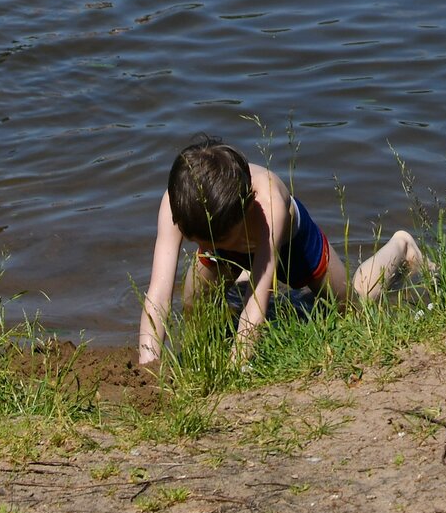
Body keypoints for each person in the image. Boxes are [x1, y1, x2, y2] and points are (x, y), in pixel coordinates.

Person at [137, 137, 427, 367]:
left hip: (290, 242)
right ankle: (233, 300)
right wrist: (148, 367)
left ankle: (401, 247)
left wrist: (236, 369)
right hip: (230, 241)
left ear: (247, 207)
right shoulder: (180, 203)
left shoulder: (269, 205)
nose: (205, 245)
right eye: (197, 240)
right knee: (194, 307)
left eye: (213, 240)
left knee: (351, 310)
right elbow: (158, 294)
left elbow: (257, 303)